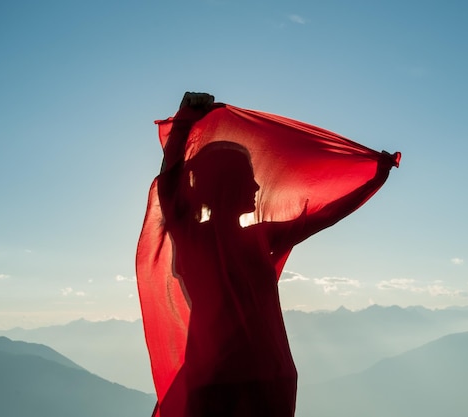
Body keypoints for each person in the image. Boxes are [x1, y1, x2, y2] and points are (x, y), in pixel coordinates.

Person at [137, 92, 400, 417]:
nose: (257, 187)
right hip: (249, 377)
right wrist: (184, 121)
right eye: (249, 177)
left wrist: (374, 174)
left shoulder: (218, 236)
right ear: (227, 184)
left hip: (250, 377)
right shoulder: (213, 236)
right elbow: (171, 184)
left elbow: (323, 215)